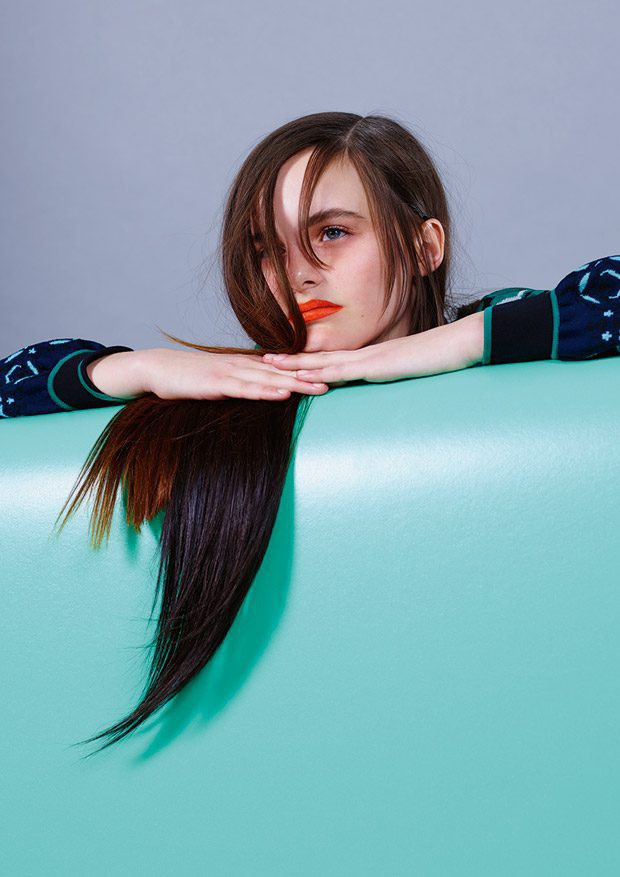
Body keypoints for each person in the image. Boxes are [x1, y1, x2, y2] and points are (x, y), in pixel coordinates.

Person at [2, 111, 618, 758]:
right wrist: (138, 367)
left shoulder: (509, 331)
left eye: (332, 232)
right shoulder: (250, 385)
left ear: (424, 247)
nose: (298, 272)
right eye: (268, 249)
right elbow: (12, 383)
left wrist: (445, 346)